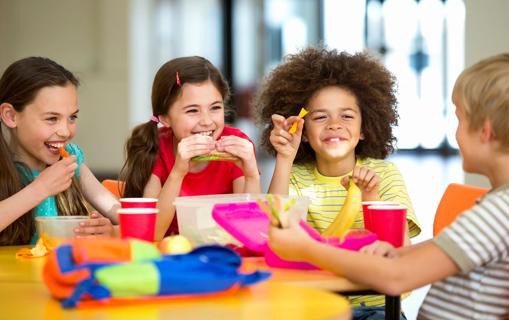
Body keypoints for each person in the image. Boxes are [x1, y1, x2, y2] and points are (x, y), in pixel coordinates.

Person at [269, 53, 509, 319]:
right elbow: (429, 252)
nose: (455, 132)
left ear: (485, 131)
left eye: (459, 119)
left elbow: (396, 279)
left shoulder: (500, 210)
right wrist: (401, 252)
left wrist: (305, 247)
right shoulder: (497, 205)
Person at [254, 46, 420, 317]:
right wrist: (285, 158)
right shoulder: (294, 175)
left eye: (347, 115)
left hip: (374, 306)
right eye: (320, 117)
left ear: (365, 128)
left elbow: (400, 252)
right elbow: (273, 232)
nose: (334, 124)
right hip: (314, 304)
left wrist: (371, 198)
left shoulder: (385, 175)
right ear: (304, 132)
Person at [120, 56, 260, 240]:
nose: (207, 121)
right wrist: (178, 171)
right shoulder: (156, 148)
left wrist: (251, 174)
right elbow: (153, 234)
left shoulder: (237, 144)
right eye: (192, 110)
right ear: (165, 118)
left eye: (215, 108)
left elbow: (249, 231)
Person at [0, 57, 119, 245]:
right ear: (11, 116)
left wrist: (114, 231)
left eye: (72, 117)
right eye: (52, 118)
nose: (65, 131)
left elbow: (118, 212)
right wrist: (41, 188)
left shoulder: (71, 161)